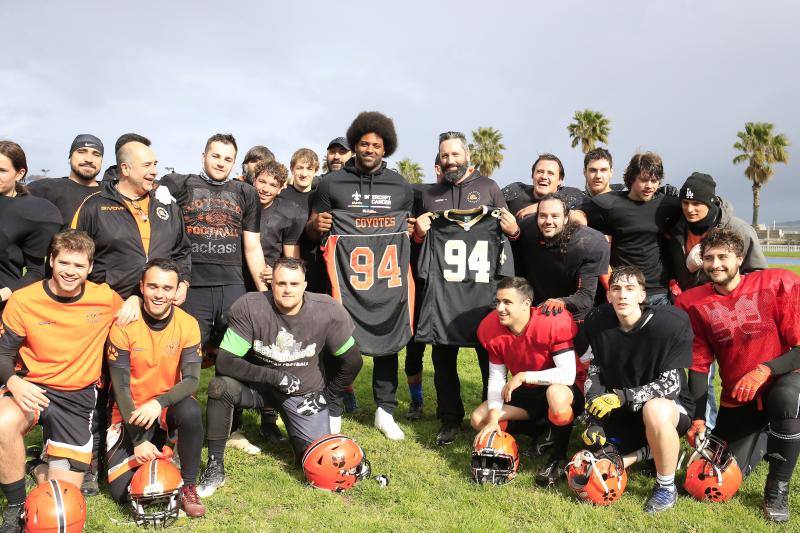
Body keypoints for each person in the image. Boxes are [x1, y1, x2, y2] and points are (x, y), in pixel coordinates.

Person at [71, 140, 191, 494]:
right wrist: (117, 297)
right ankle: (90, 461)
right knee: (101, 386)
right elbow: (77, 257)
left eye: (156, 163)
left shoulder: (166, 204)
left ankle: (165, 448)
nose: (155, 170)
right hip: (109, 312)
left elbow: (183, 250)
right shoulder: (95, 206)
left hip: (158, 308)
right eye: (148, 165)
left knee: (164, 379)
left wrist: (182, 280)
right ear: (125, 169)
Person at [197, 258, 363, 497]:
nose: (287, 289)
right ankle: (215, 466)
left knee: (315, 464)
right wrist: (274, 377)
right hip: (259, 389)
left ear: (305, 285)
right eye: (281, 283)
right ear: (271, 283)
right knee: (218, 386)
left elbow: (353, 361)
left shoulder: (327, 310)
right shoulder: (250, 306)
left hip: (303, 394)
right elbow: (225, 361)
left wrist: (326, 397)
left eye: (294, 284)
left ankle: (298, 432)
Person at [0, 231, 122, 532]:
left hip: (77, 397)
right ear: (51, 261)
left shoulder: (105, 299)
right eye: (64, 263)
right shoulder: (23, 300)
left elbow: (138, 315)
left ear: (90, 268)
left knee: (64, 498)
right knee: (2, 422)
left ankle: (37, 467)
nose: (70, 271)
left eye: (79, 266)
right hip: (32, 389)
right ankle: (15, 507)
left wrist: (132, 300)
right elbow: (2, 354)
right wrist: (13, 382)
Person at [676, 228, 800, 523]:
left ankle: (776, 488)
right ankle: (768, 436)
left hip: (782, 379)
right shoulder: (694, 302)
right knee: (719, 475)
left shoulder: (776, 283)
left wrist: (765, 369)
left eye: (723, 257)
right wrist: (697, 418)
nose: (715, 264)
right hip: (739, 394)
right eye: (709, 258)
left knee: (785, 399)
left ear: (740, 259)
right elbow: (698, 364)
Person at [307, 111, 414, 441]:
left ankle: (385, 410)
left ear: (386, 149)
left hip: (385, 281)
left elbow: (410, 227)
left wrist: (414, 229)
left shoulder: (400, 185)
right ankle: (334, 408)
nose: (370, 149)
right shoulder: (330, 182)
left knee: (388, 344)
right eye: (364, 144)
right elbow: (313, 228)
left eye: (377, 145)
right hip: (344, 281)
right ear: (355, 145)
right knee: (338, 345)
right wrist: (316, 227)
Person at [413, 131, 519, 445]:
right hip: (445, 294)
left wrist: (513, 231)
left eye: (455, 155)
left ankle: (495, 413)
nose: (450, 161)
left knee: (491, 359)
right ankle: (449, 418)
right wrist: (420, 233)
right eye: (444, 156)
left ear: (467, 155)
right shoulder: (431, 195)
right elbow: (421, 242)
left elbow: (509, 236)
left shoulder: (489, 188)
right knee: (443, 358)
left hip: (482, 294)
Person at [582, 266, 693, 513]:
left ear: (642, 295)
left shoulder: (668, 323)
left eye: (630, 289)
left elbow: (670, 385)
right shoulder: (598, 321)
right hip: (624, 409)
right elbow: (594, 372)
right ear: (608, 295)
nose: (623, 295)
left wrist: (621, 397)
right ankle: (648, 454)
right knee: (595, 457)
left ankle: (666, 486)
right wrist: (593, 420)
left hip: (668, 408)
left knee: (655, 410)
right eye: (616, 289)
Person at [666, 172, 768, 428]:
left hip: (734, 310)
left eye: (697, 203)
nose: (690, 209)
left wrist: (728, 295)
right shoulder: (677, 227)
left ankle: (761, 423)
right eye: (685, 202)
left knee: (741, 368)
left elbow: (759, 275)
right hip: (695, 309)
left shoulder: (737, 230)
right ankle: (705, 425)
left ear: (710, 202)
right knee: (700, 369)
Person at [105, 259, 206, 518]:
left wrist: (158, 403)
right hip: (130, 413)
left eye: (166, 288)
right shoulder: (124, 325)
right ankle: (157, 455)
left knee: (191, 410)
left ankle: (189, 484)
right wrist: (138, 440)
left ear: (176, 291)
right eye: (152, 287)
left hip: (162, 411)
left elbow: (193, 380)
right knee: (123, 493)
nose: (159, 294)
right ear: (141, 286)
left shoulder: (188, 324)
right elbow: (121, 387)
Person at [159, 133, 268, 360]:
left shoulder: (246, 193)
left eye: (228, 159)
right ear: (203, 156)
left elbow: (253, 246)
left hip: (232, 284)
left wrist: (265, 293)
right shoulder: (179, 184)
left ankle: (226, 397)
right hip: (193, 285)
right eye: (216, 156)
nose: (221, 163)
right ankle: (181, 396)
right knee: (185, 356)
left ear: (234, 162)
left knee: (234, 357)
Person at [472, 277, 584, 486]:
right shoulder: (490, 327)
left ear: (526, 304)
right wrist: (495, 417)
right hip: (531, 391)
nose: (500, 308)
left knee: (556, 395)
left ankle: (558, 457)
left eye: (507, 302)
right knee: (480, 419)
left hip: (566, 389)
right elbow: (496, 378)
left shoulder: (550, 321)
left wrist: (523, 375)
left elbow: (567, 374)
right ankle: (542, 428)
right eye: (498, 302)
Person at [582, 152, 682, 306]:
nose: (649, 186)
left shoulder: (668, 205)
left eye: (654, 181)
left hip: (658, 291)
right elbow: (600, 254)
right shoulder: (608, 204)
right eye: (643, 180)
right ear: (631, 178)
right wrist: (612, 288)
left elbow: (701, 210)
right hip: (624, 291)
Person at [516, 193, 609, 355]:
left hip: (575, 317)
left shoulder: (590, 242)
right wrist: (512, 233)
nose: (548, 221)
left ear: (566, 218)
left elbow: (586, 296)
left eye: (555, 216)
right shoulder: (527, 229)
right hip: (537, 314)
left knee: (576, 375)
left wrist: (560, 301)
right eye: (543, 216)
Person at [0, 141, 62, 311]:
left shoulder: (34, 212)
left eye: (2, 171)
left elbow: (36, 271)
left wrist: (3, 294)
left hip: (5, 308)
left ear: (19, 174)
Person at [27, 134, 104, 226]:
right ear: (70, 158)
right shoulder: (43, 189)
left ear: (101, 161)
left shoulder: (112, 194)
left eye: (96, 154)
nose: (89, 159)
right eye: (81, 152)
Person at [502, 153, 586, 219]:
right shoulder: (516, 190)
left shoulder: (572, 195)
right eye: (540, 172)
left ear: (560, 180)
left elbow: (581, 220)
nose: (544, 177)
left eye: (550, 173)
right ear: (532, 175)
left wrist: (544, 207)